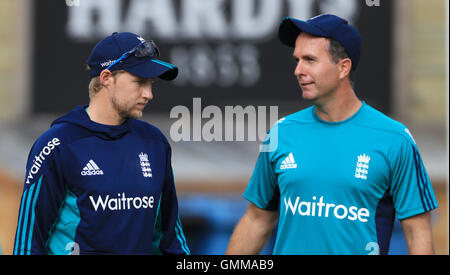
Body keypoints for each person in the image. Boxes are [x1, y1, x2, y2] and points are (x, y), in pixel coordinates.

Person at [226, 14, 439, 255]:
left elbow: (417, 232)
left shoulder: (395, 139)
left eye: (310, 60)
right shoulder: (280, 133)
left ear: (343, 67)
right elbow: (257, 219)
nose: (298, 70)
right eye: (297, 60)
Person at [13, 32, 190, 255]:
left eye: (151, 84)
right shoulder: (57, 144)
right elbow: (28, 244)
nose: (149, 94)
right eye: (139, 82)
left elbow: (169, 237)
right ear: (106, 78)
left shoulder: (154, 143)